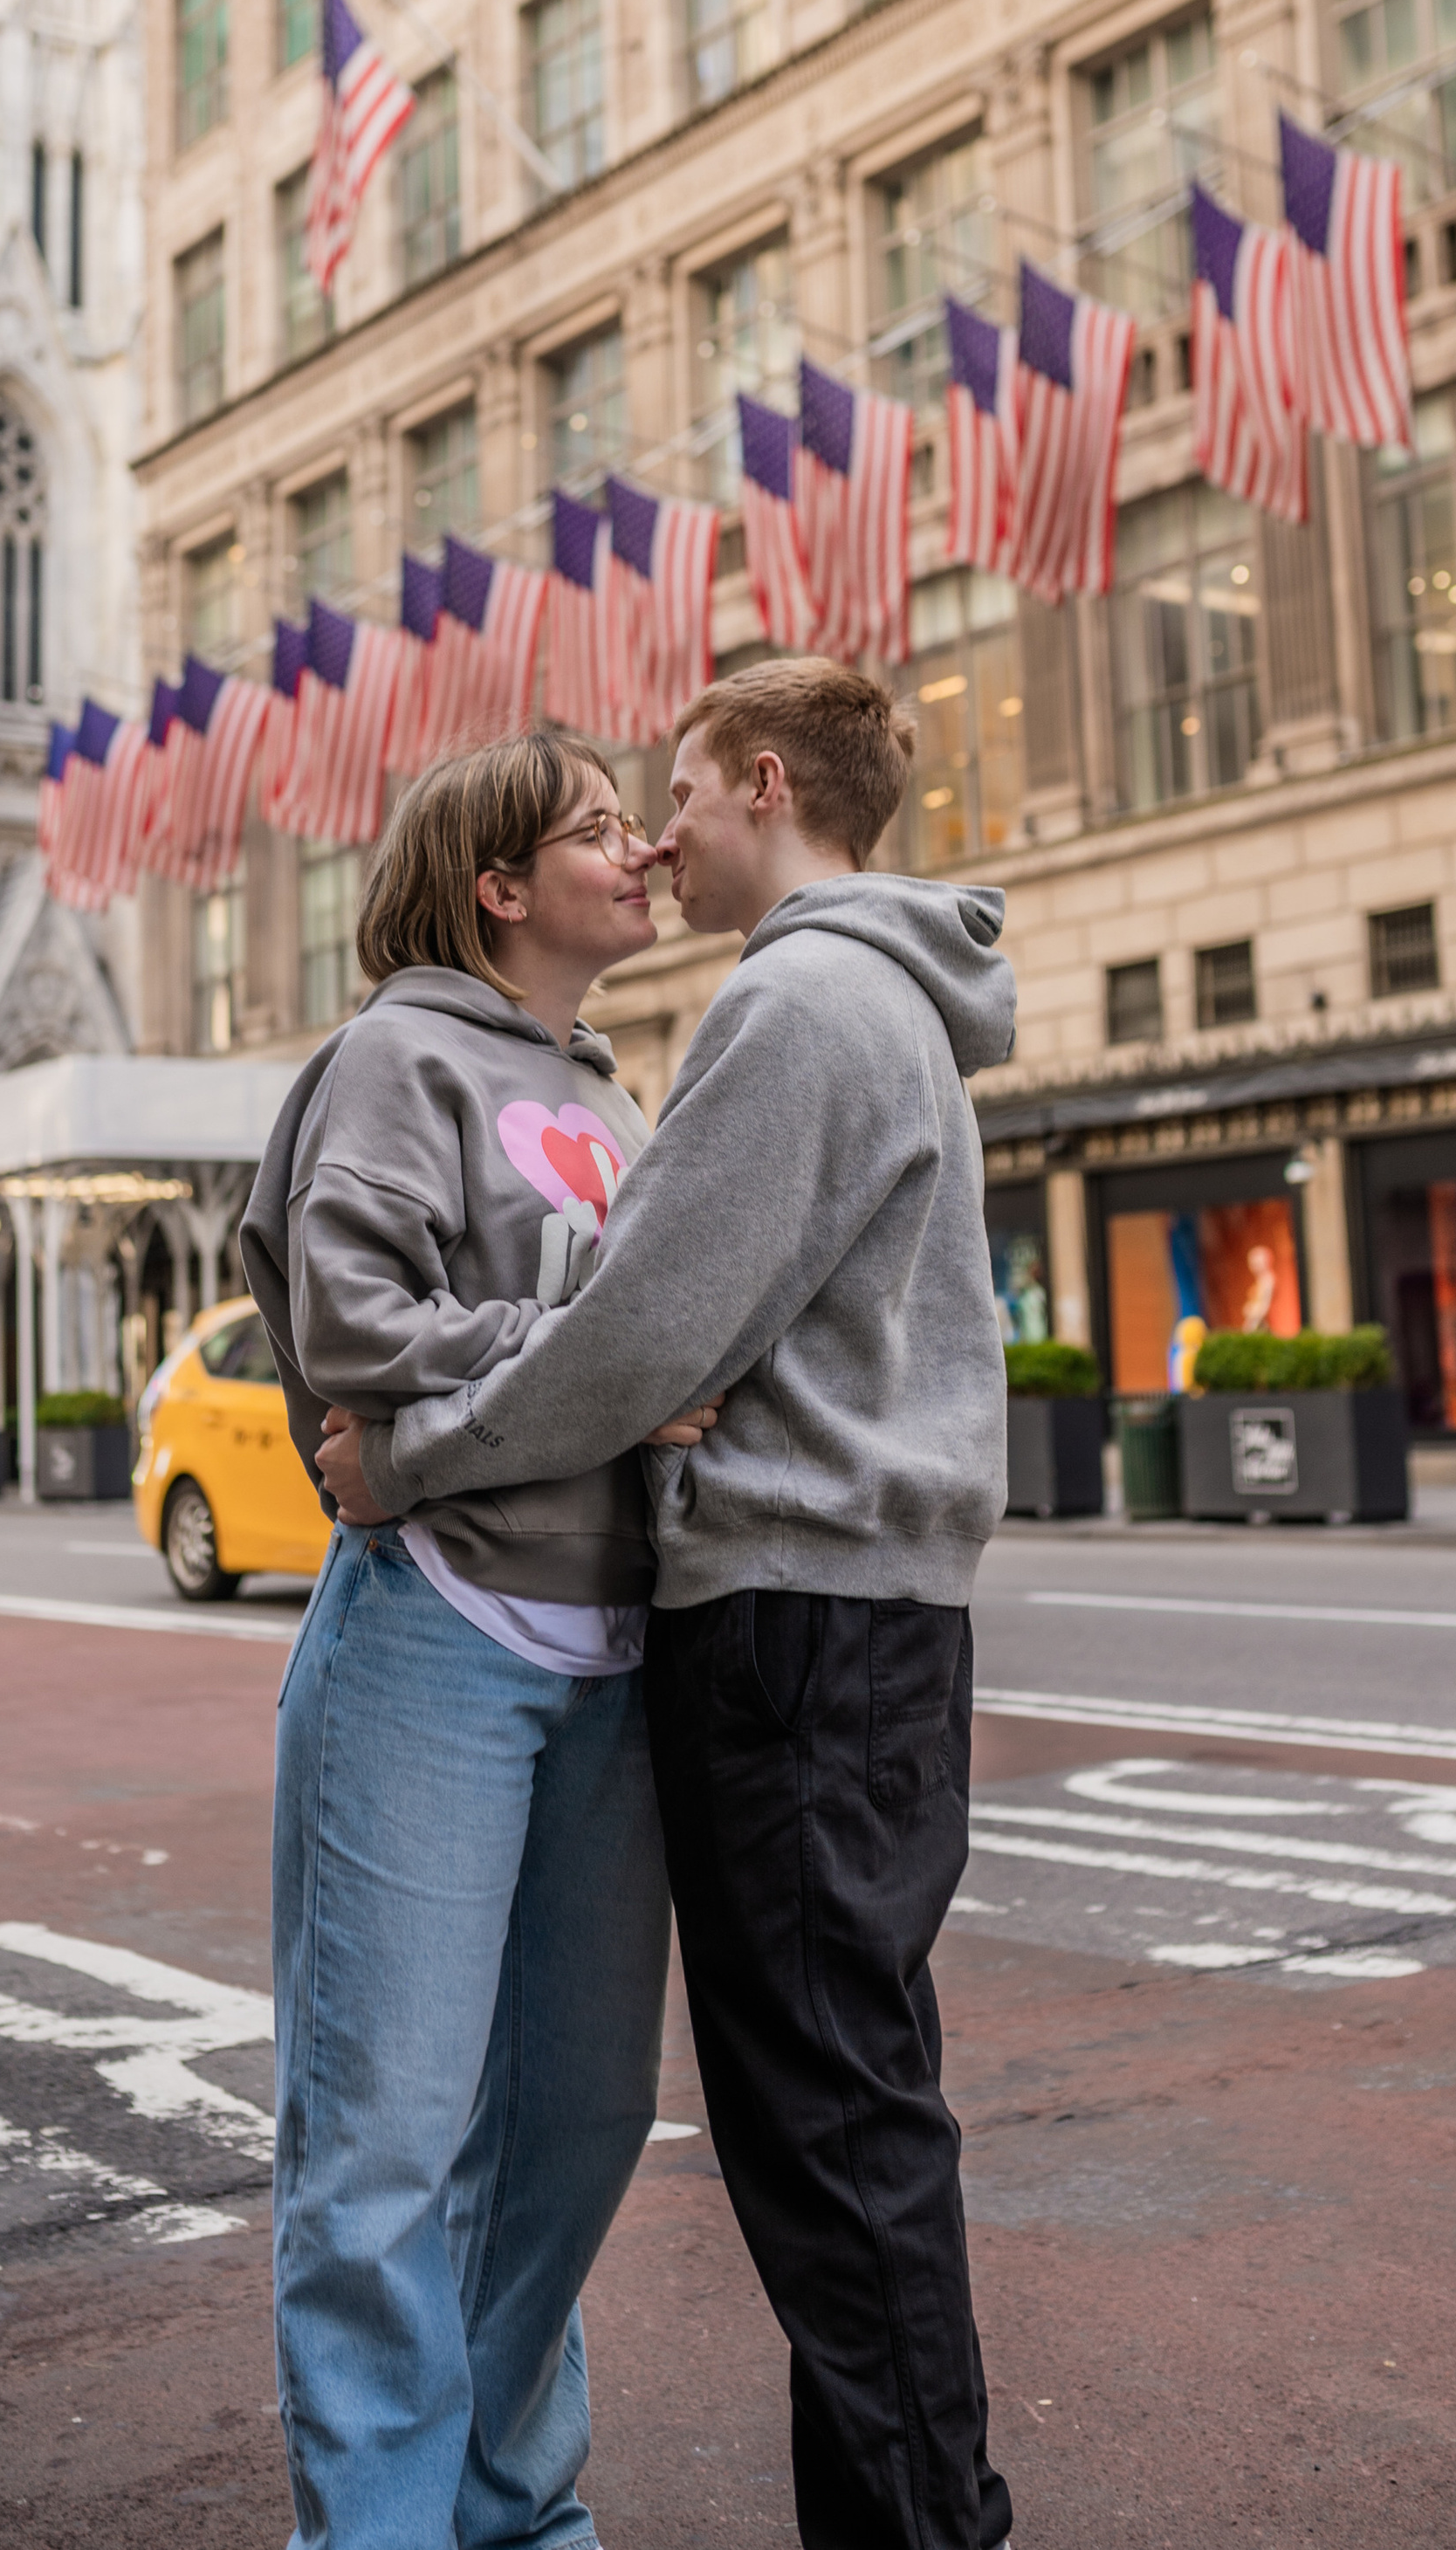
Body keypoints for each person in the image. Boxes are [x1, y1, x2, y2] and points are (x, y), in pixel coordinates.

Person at [322, 660, 1018, 2550]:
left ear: (762, 782)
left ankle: (918, 2530)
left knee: (828, 2138)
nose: (655, 834)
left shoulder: (788, 1001)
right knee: (843, 2118)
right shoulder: (882, 1005)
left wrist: (406, 1456)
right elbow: (625, 1322)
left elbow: (633, 1328)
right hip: (857, 1618)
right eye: (608, 819)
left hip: (793, 1622)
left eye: (678, 795)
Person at [237, 732, 716, 2550]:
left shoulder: (618, 1094)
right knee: (381, 2148)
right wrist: (597, 1367)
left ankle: (512, 2505)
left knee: (583, 2117)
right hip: (433, 1632)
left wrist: (600, 1370)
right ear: (498, 884)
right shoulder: (391, 1055)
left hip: (616, 1652)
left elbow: (671, 1343)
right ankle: (373, 2529)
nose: (643, 849)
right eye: (598, 829)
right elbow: (353, 1319)